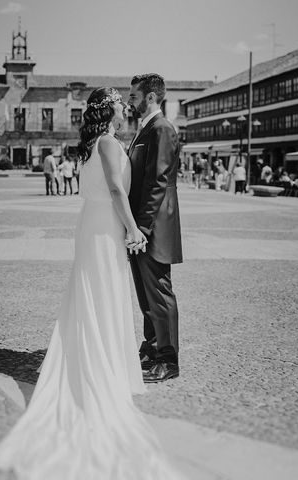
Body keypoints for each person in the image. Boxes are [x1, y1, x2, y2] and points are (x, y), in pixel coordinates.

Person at [0, 87, 182, 479]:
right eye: (117, 100)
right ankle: (106, 366)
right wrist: (134, 229)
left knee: (93, 293)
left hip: (93, 224)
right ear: (108, 109)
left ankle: (94, 355)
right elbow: (116, 188)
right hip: (105, 228)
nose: (123, 104)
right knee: (103, 293)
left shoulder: (96, 143)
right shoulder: (110, 143)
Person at [127, 73, 182, 383]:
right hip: (141, 224)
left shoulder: (161, 129)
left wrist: (143, 228)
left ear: (150, 97)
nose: (130, 101)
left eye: (134, 96)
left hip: (154, 226)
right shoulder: (145, 128)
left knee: (160, 294)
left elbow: (157, 181)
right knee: (146, 296)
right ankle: (150, 349)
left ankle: (168, 360)